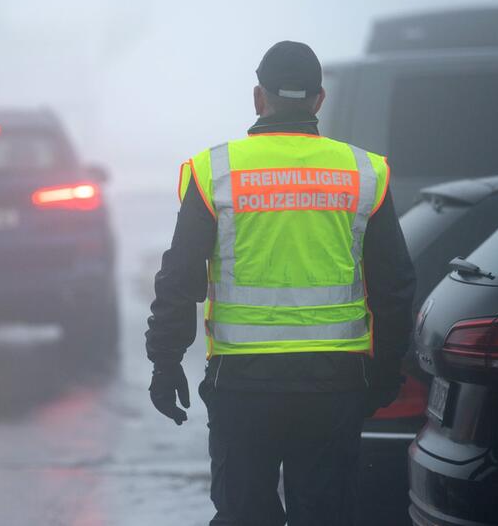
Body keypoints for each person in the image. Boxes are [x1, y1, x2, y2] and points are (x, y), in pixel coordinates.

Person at [145, 41, 416, 526]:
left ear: (258, 98)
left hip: (243, 385)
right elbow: (393, 285)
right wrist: (386, 371)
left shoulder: (216, 173)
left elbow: (180, 277)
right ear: (318, 101)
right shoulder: (363, 173)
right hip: (334, 386)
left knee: (245, 516)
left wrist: (165, 362)